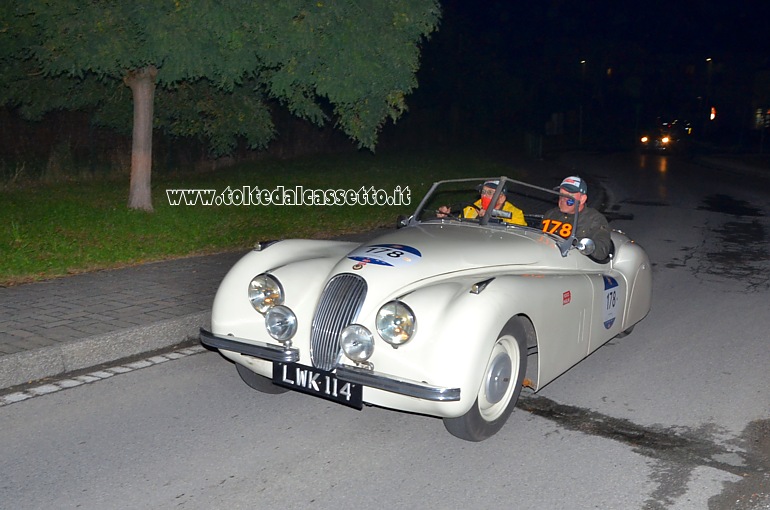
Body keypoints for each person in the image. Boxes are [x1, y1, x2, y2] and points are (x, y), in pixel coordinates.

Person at [541, 175, 612, 261]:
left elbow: (602, 251)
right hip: (546, 258)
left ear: (582, 199)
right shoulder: (551, 214)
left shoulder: (594, 219)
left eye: (569, 196)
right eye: (561, 195)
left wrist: (581, 246)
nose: (563, 199)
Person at [437, 180, 526, 226]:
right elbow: (458, 226)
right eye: (483, 191)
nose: (484, 195)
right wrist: (445, 217)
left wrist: (490, 218)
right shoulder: (471, 208)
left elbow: (516, 240)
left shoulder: (515, 214)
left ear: (501, 198)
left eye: (490, 193)